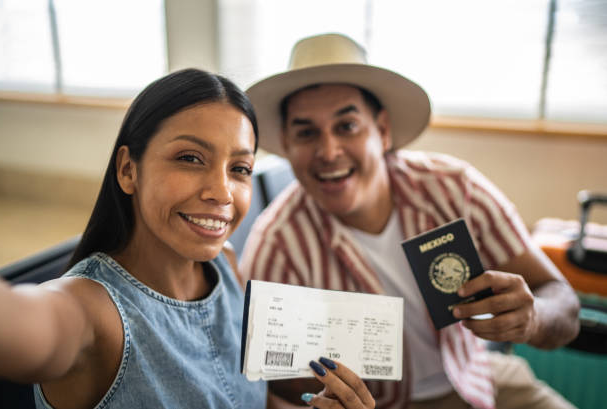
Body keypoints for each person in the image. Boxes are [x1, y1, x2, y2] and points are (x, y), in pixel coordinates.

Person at [0, 68, 376, 409]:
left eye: (239, 168)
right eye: (191, 158)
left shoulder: (225, 265)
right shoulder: (90, 310)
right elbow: (21, 325)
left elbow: (246, 398)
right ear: (128, 170)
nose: (222, 192)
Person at [240, 33, 581, 409]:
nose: (328, 151)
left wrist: (532, 318)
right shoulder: (276, 243)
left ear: (382, 130)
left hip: (480, 378)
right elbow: (261, 381)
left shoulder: (455, 189)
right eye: (306, 132)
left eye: (347, 126)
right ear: (287, 145)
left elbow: (562, 301)